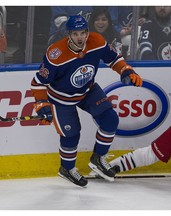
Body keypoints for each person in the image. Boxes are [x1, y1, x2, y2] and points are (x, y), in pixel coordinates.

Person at [30, 15, 143, 187]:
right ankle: (67, 169)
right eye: (75, 34)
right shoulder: (56, 54)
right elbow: (38, 83)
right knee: (72, 134)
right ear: (69, 34)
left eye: (83, 33)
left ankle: (98, 158)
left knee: (110, 119)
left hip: (87, 90)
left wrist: (126, 71)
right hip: (61, 98)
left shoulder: (96, 40)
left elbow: (114, 58)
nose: (80, 37)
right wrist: (41, 104)